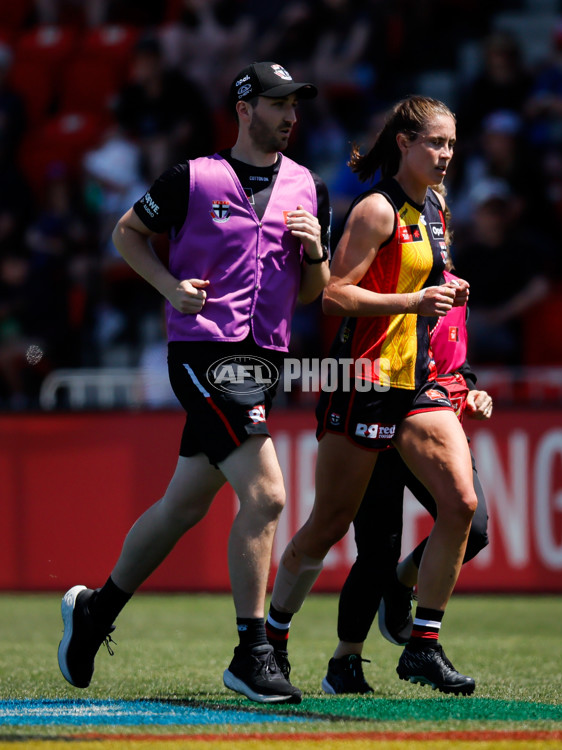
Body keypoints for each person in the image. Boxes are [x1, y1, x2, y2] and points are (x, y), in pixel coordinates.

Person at [57, 61, 331, 705]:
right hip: (203, 352)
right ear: (244, 107)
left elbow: (314, 295)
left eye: (295, 105)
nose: (291, 115)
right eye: (277, 103)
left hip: (263, 361)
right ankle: (251, 652)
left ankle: (95, 613)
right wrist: (169, 287)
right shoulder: (192, 176)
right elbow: (127, 232)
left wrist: (317, 250)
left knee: (184, 505)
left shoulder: (307, 185)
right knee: (266, 497)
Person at [266, 95, 479, 696]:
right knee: (331, 524)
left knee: (461, 505)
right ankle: (270, 638)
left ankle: (423, 645)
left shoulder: (435, 208)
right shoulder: (377, 210)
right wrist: (413, 301)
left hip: (416, 384)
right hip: (360, 380)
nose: (445, 156)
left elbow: (423, 284)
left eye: (452, 145)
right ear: (404, 143)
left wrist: (444, 293)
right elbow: (333, 295)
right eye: (435, 143)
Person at [322, 269, 493, 695]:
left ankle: (405, 596)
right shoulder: (384, 282)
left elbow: (457, 362)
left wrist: (471, 390)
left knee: (472, 526)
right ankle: (344, 661)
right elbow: (352, 331)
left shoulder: (456, 288)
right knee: (376, 551)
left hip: (436, 423)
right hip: (382, 413)